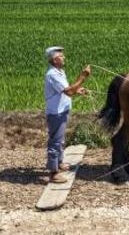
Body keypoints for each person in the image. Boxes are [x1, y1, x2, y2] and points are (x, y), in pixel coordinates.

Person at [44, 46, 91, 183]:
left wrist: (78, 90)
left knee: (60, 140)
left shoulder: (60, 72)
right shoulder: (52, 75)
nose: (64, 58)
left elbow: (67, 89)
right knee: (55, 141)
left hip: (62, 110)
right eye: (61, 56)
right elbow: (68, 92)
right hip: (56, 113)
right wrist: (83, 77)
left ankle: (58, 163)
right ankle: (53, 173)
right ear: (55, 59)